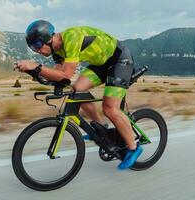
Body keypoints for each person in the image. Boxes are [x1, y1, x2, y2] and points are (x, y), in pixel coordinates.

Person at [16, 20, 142, 170]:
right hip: (101, 64)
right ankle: (101, 129)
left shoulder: (71, 38)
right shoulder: (57, 51)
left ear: (48, 39)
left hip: (119, 60)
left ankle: (134, 148)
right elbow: (58, 76)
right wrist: (34, 71)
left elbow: (66, 75)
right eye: (32, 48)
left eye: (37, 45)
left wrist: (36, 66)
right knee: (77, 89)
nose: (36, 50)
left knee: (110, 108)